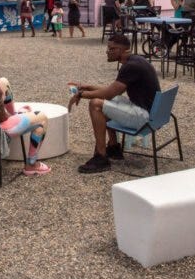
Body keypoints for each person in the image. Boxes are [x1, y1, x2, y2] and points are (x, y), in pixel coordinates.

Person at [67, 34, 159, 174]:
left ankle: (101, 157)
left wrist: (81, 94)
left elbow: (109, 93)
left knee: (96, 104)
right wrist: (88, 87)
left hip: (144, 117)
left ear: (122, 50)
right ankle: (114, 147)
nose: (107, 51)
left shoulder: (130, 67)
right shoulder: (136, 60)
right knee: (107, 102)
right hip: (152, 112)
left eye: (111, 48)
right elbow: (113, 91)